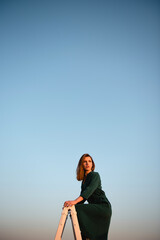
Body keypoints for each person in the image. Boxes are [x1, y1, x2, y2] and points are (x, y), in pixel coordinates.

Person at [63, 153, 112, 240]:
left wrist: (74, 202)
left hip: (103, 207)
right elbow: (82, 199)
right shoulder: (84, 182)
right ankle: (86, 236)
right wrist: (70, 204)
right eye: (85, 162)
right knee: (75, 208)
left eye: (89, 161)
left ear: (92, 164)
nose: (87, 163)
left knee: (77, 209)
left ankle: (86, 236)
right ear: (81, 165)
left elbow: (88, 191)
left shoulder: (95, 175)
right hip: (94, 207)